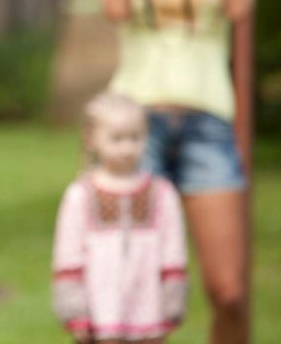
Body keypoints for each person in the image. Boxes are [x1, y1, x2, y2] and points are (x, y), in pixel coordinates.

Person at [93, 0, 255, 344]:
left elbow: (239, 7)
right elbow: (117, 9)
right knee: (133, 285)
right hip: (135, 129)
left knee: (229, 290)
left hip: (208, 122)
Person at [52, 92, 187, 343]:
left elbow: (173, 249)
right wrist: (75, 310)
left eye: (135, 138)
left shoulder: (162, 194)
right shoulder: (80, 195)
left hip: (149, 310)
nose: (127, 147)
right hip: (99, 313)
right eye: (116, 139)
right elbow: (68, 252)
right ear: (91, 139)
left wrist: (172, 301)